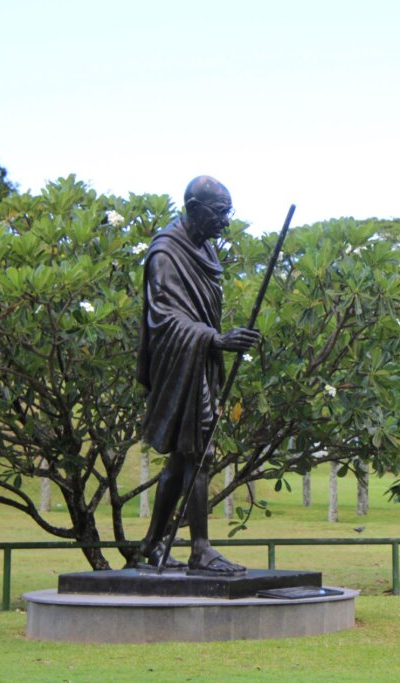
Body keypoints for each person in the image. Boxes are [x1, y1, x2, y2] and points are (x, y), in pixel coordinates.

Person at [136, 175, 260, 573]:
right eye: (220, 213)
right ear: (193, 209)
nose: (225, 222)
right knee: (198, 456)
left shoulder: (204, 250)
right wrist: (215, 339)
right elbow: (165, 316)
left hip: (198, 360)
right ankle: (200, 549)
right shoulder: (165, 254)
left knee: (182, 459)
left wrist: (218, 341)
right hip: (178, 362)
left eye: (229, 213)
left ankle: (153, 544)